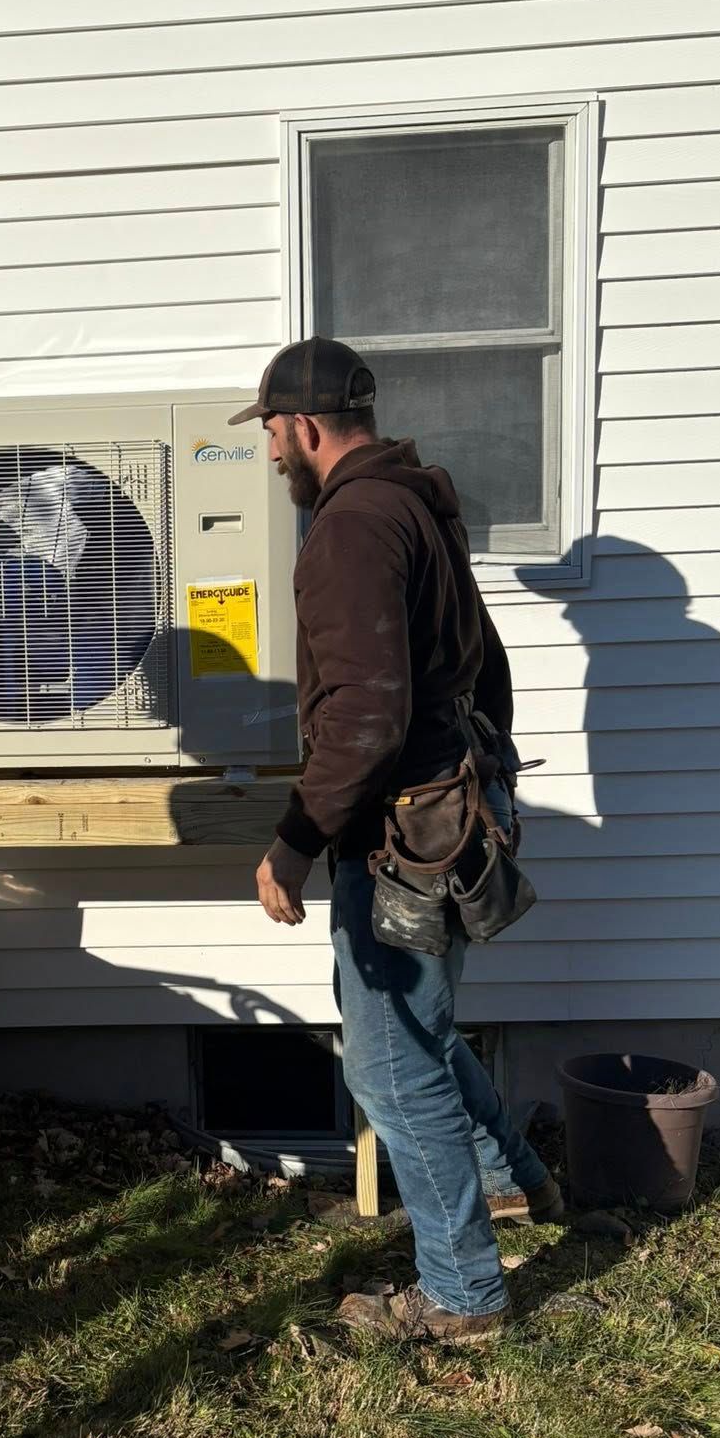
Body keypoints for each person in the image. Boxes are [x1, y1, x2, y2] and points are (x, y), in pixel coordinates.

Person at [236, 337, 560, 1347]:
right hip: (448, 805)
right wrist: (488, 779)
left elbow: (365, 715)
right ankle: (510, 1181)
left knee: (386, 1063)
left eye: (272, 436)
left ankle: (462, 1292)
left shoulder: (350, 527)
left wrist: (292, 842)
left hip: (401, 833)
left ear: (302, 425)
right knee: (418, 1033)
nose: (271, 456)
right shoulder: (415, 500)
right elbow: (482, 659)